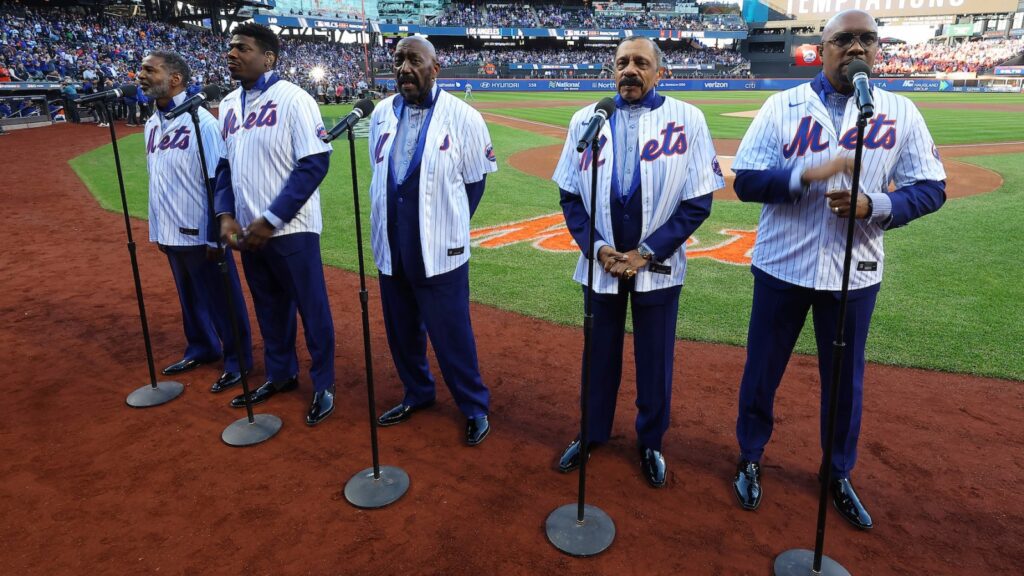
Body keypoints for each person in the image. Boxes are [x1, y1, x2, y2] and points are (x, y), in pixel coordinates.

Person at [729, 9, 946, 529]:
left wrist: (877, 205)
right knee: (762, 371)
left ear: (878, 49)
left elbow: (932, 186)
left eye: (867, 39)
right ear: (822, 49)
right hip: (782, 264)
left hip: (856, 272)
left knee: (845, 382)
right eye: (843, 39)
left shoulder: (899, 111)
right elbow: (746, 181)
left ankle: (837, 472)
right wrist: (808, 173)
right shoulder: (783, 106)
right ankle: (750, 457)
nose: (856, 48)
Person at [551, 36, 722, 487]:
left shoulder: (688, 119)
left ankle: (651, 442)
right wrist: (597, 247)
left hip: (658, 267)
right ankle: (592, 433)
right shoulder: (586, 119)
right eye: (622, 62)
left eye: (641, 62)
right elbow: (570, 194)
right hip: (601, 264)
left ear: (659, 72)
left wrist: (646, 252)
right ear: (613, 69)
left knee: (655, 360)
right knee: (598, 356)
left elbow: (698, 199)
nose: (630, 69)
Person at [367, 36, 497, 446]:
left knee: (451, 333)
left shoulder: (464, 117)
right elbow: (381, 171)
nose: (405, 67)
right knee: (401, 331)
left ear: (435, 68)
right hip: (392, 245)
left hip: (441, 249)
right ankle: (417, 392)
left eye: (414, 60)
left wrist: (446, 222)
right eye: (399, 60)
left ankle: (473, 405)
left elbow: (475, 184)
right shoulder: (381, 114)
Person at [213, 23, 338, 426]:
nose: (232, 53)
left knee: (311, 310)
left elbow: (314, 162)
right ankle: (280, 374)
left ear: (267, 57)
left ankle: (324, 384)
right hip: (249, 229)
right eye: (230, 48)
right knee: (269, 308)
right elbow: (225, 166)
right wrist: (225, 213)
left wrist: (273, 218)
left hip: (293, 228)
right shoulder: (229, 103)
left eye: (242, 48)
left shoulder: (294, 98)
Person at [139, 50, 255, 393]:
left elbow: (217, 180)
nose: (141, 75)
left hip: (199, 228)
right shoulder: (151, 122)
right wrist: (158, 228)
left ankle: (239, 360)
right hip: (170, 227)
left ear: (175, 79)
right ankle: (202, 347)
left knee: (222, 298)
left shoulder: (202, 122)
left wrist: (213, 235)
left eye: (150, 70)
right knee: (189, 297)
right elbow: (156, 177)